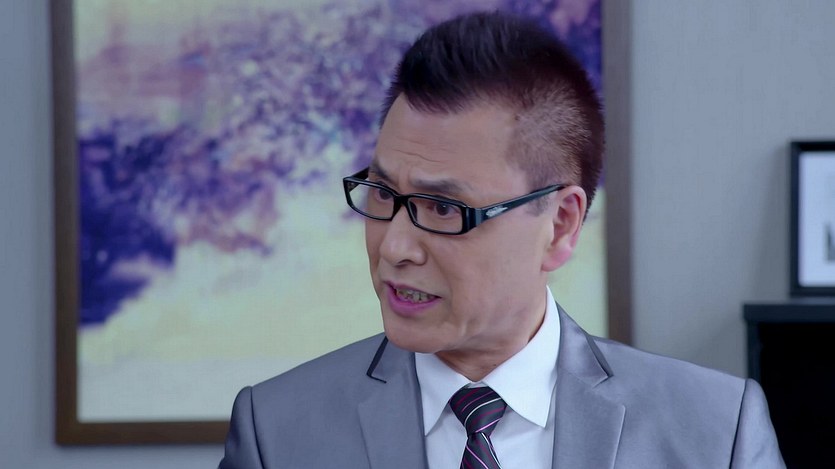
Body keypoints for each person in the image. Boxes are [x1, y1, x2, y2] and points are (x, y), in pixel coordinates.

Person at [219, 11, 784, 468]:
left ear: (560, 225)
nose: (394, 248)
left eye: (444, 208)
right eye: (383, 194)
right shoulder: (277, 432)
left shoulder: (715, 431)